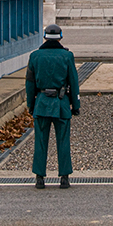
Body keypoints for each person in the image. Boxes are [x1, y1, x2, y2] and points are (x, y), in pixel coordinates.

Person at [26, 24, 80, 189]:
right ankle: (64, 177)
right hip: (61, 102)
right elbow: (74, 82)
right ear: (61, 37)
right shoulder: (67, 56)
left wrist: (31, 105)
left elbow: (30, 83)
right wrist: (75, 104)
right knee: (63, 141)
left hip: (42, 102)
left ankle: (39, 177)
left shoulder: (35, 56)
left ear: (44, 36)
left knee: (40, 142)